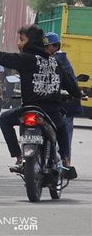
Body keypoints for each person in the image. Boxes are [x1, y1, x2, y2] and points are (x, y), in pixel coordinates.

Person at [0, 25, 81, 174]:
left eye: (22, 40)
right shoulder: (55, 62)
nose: (18, 43)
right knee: (62, 128)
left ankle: (18, 156)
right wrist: (78, 94)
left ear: (31, 41)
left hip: (30, 109)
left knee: (4, 119)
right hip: (51, 112)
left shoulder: (25, 59)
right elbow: (73, 88)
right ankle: (66, 162)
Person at [44, 32, 81, 167]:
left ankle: (66, 162)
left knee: (65, 132)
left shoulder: (59, 59)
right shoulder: (52, 58)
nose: (46, 49)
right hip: (56, 102)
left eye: (48, 46)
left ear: (55, 46)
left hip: (66, 103)